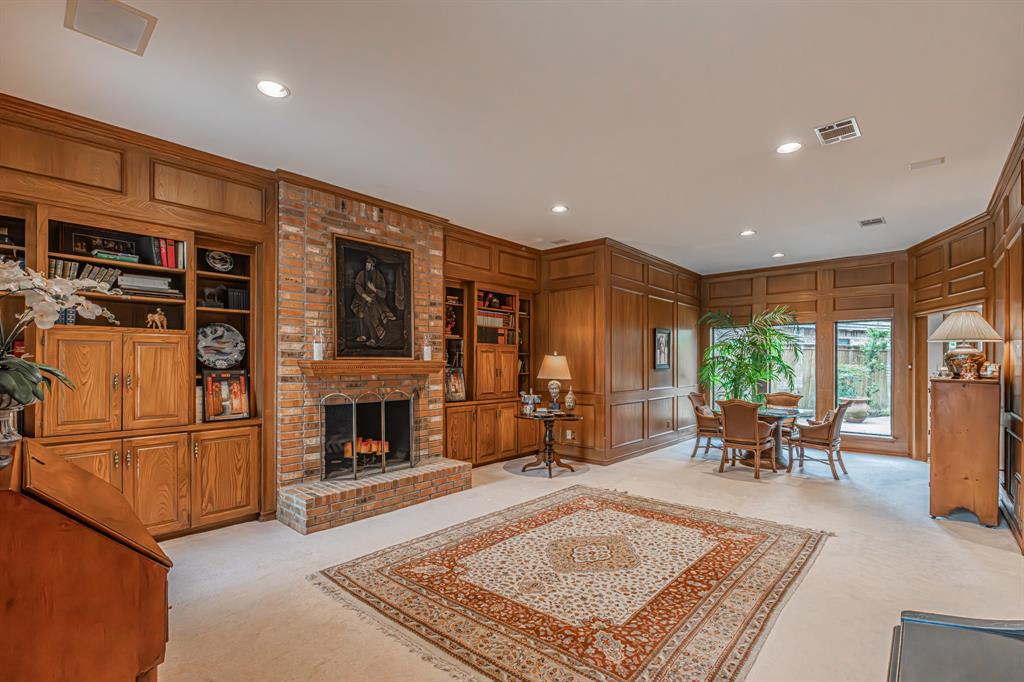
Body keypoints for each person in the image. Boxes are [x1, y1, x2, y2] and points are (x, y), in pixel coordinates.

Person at [351, 256, 396, 346]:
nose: (366, 266)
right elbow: (357, 285)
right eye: (366, 264)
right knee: (361, 313)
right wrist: (364, 295)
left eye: (368, 264)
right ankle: (363, 335)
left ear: (373, 266)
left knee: (370, 312)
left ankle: (374, 338)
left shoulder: (378, 276)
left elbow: (383, 293)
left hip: (375, 300)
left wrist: (374, 289)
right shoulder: (362, 273)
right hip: (362, 298)